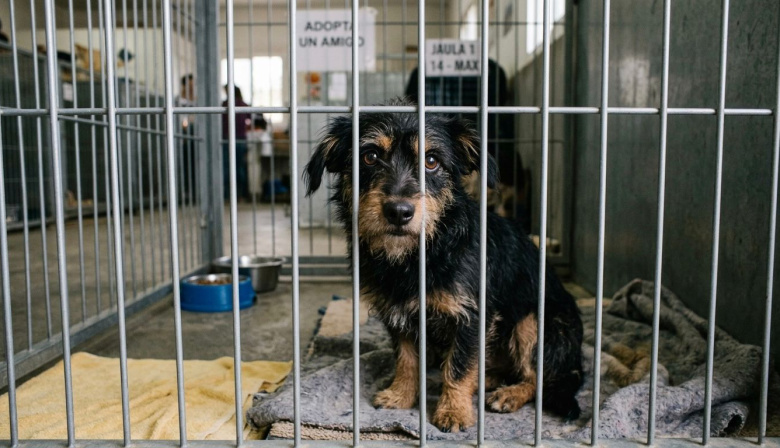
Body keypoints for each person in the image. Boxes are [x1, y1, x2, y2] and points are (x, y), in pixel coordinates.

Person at [221, 85, 252, 202]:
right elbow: (251, 118)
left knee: (226, 168)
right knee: (240, 168)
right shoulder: (243, 104)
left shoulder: (224, 104)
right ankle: (240, 196)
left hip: (226, 139)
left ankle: (227, 196)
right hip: (240, 139)